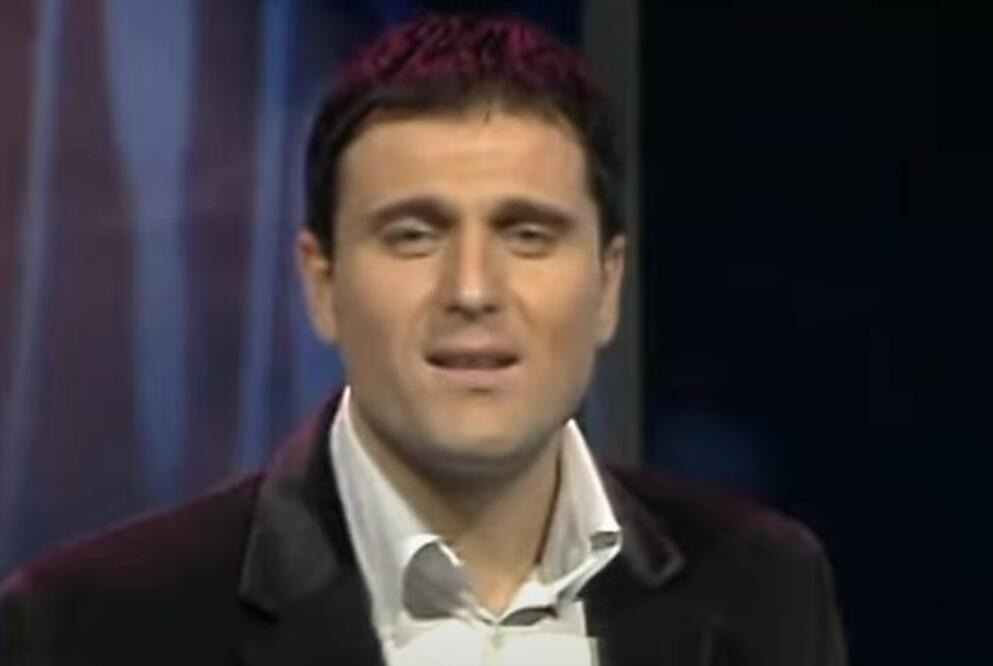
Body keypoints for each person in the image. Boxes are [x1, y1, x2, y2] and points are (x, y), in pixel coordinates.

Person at [0, 13, 848, 666]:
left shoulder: (763, 585)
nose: (472, 290)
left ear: (607, 285)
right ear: (323, 284)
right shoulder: (91, 627)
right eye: (413, 236)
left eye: (528, 235)